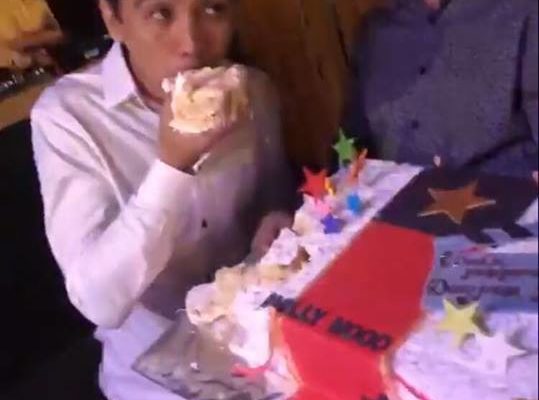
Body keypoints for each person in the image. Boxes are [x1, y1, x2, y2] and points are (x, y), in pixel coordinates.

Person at [31, 0, 295, 399]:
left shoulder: (254, 90)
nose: (191, 44)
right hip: (150, 367)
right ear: (114, 19)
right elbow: (98, 302)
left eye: (213, 9)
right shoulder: (68, 117)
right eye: (160, 14)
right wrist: (172, 166)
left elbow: (274, 195)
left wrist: (277, 219)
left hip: (259, 341)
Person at [343, 0, 538, 176]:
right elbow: (350, 142)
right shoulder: (375, 31)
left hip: (505, 193)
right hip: (392, 197)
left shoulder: (523, 13)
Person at [0, 0, 63, 70]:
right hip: (10, 70)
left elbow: (56, 32)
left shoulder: (36, 3)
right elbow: (16, 43)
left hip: (44, 63)